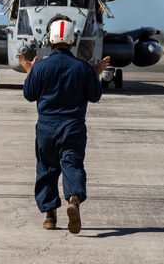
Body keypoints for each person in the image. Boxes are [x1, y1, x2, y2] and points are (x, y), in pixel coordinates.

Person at [18, 18, 110, 234]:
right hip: (73, 125)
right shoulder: (83, 68)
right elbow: (95, 96)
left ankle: (50, 215)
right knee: (72, 164)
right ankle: (73, 198)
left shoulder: (40, 67)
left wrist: (30, 71)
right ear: (73, 39)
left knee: (47, 168)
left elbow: (29, 95)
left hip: (46, 126)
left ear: (50, 39)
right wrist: (95, 73)